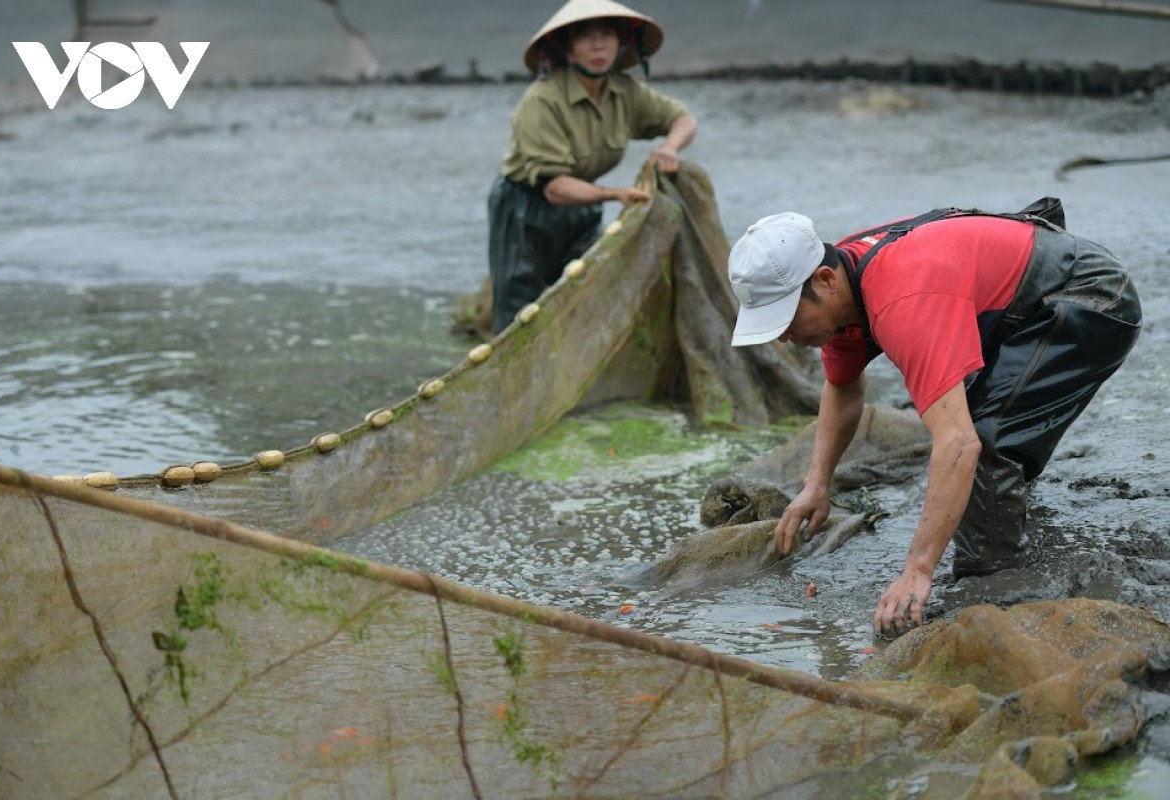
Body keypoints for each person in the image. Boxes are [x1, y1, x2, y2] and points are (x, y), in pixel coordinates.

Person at [725, 204, 1141, 637]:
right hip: (1018, 304)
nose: (783, 336)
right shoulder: (842, 288)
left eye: (786, 318)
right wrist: (817, 484)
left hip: (1092, 295)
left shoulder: (902, 298)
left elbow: (960, 444)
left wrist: (917, 570)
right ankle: (1000, 531)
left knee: (985, 438)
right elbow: (843, 389)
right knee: (974, 424)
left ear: (824, 281)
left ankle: (994, 582)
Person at [487, 0, 697, 333]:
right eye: (585, 36)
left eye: (607, 34)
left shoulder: (624, 92)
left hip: (586, 202)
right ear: (567, 48)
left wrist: (669, 147)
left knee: (581, 298)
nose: (598, 45)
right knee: (521, 311)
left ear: (622, 43)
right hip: (527, 209)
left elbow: (683, 119)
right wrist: (615, 194)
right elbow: (554, 188)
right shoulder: (542, 100)